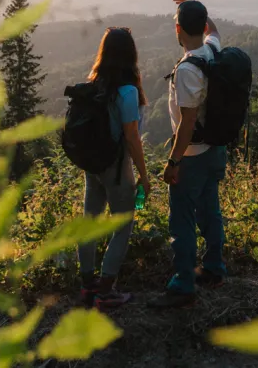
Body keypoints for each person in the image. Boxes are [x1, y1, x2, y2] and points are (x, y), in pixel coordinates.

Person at [149, 0, 227, 309]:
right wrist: (195, 6)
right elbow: (215, 32)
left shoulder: (186, 69)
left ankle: (183, 284)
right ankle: (213, 268)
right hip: (215, 150)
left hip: (192, 155)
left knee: (181, 220)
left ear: (178, 30)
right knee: (210, 210)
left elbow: (187, 122)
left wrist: (173, 161)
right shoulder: (212, 51)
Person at [78, 26, 151, 310]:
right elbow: (132, 138)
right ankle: (106, 291)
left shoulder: (95, 84)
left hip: (92, 163)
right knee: (123, 224)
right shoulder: (127, 91)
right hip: (117, 166)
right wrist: (144, 176)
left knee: (89, 222)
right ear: (131, 55)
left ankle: (87, 286)